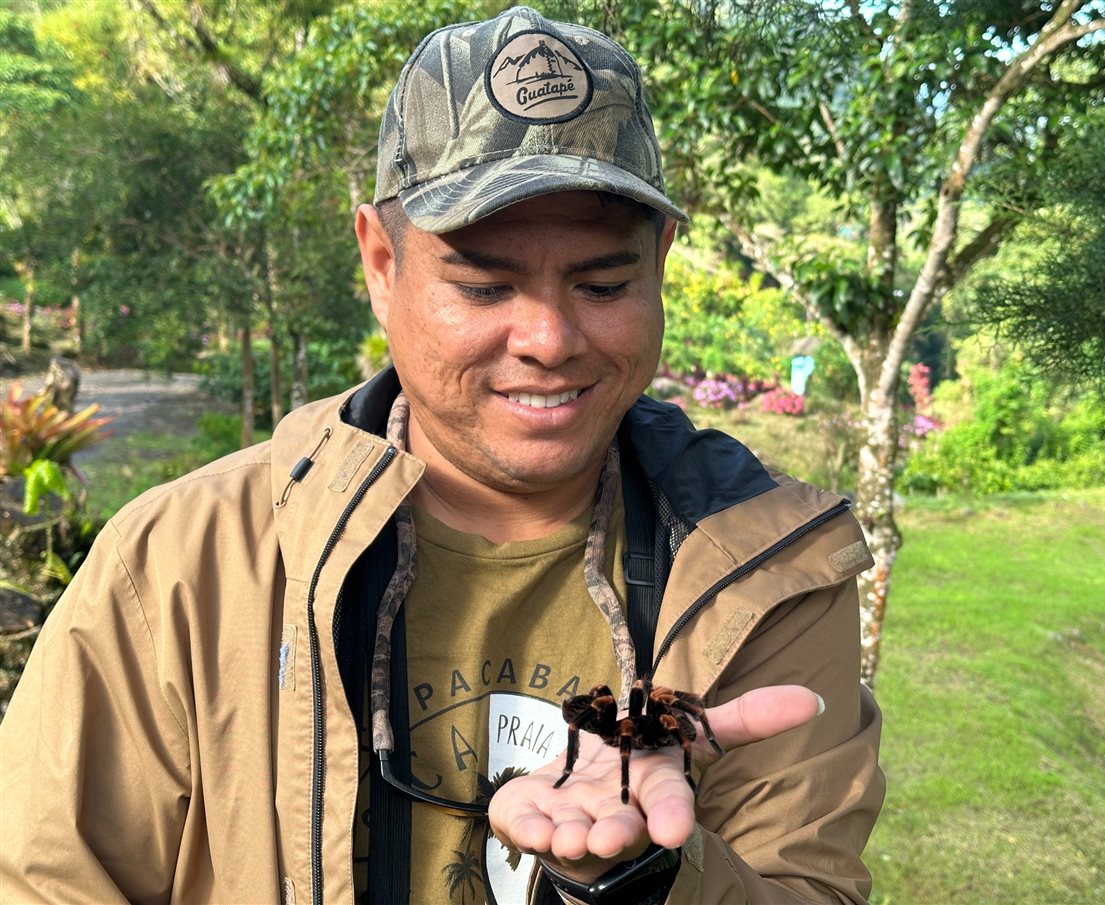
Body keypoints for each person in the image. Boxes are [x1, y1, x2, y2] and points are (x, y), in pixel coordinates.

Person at [0, 6, 884, 904]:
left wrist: (649, 874)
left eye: (603, 282)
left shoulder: (767, 568)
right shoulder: (180, 570)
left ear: (660, 263)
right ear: (382, 265)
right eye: (483, 283)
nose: (547, 337)